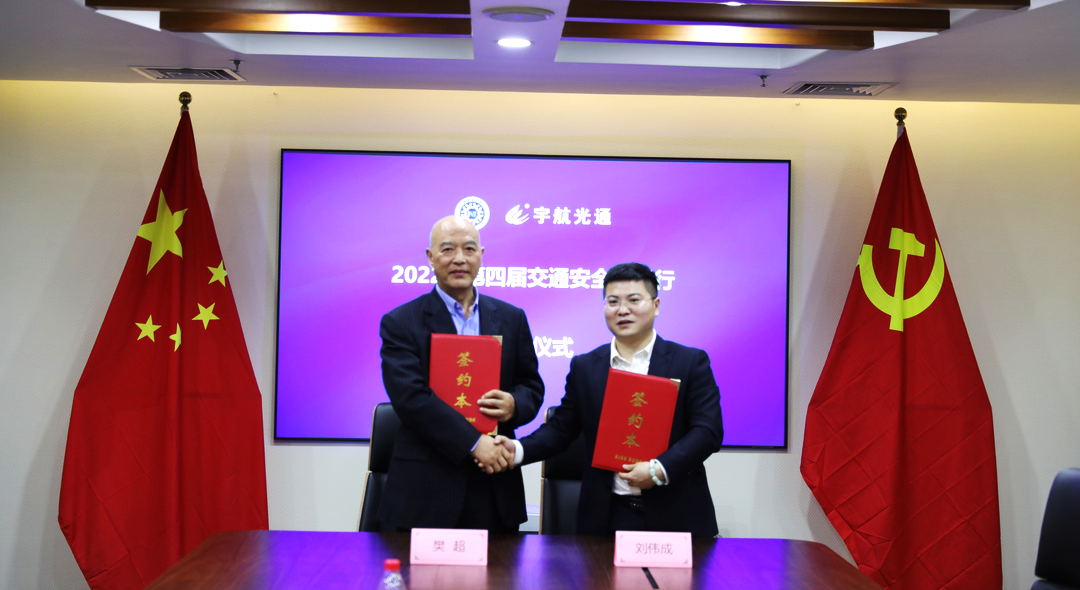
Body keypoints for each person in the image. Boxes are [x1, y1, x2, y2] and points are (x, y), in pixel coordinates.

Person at [498, 262, 723, 536]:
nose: (622, 310)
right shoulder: (586, 367)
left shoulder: (689, 362)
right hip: (607, 516)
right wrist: (516, 450)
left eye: (634, 300)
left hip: (675, 514)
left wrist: (658, 469)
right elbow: (561, 430)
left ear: (656, 305)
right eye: (613, 302)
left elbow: (707, 431)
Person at [376, 215, 544, 532]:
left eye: (468, 249)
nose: (459, 259)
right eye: (447, 249)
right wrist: (473, 442)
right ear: (430, 257)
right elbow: (410, 398)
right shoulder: (401, 322)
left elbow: (531, 387)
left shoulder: (512, 318)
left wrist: (514, 404)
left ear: (481, 255)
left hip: (494, 486)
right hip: (425, 488)